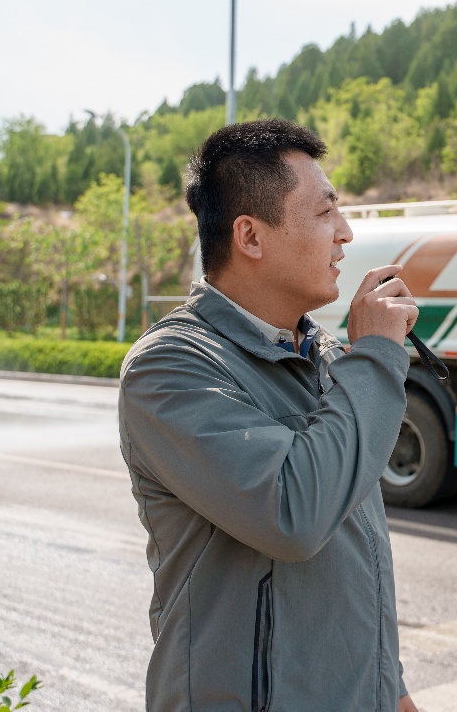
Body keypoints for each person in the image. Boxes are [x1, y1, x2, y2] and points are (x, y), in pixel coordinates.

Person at [118, 119, 420, 712]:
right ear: (250, 237)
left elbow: (349, 559)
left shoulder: (328, 358)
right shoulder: (171, 368)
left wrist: (393, 692)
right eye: (325, 213)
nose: (346, 234)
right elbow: (294, 514)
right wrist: (379, 356)